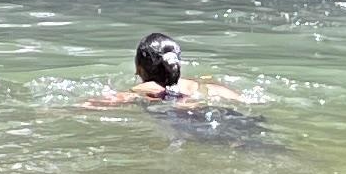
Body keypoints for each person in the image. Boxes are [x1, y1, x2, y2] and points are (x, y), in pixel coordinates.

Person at [82, 32, 258, 110]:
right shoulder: (204, 86)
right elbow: (248, 102)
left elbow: (94, 105)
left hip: (195, 125)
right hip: (234, 116)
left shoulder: (144, 91)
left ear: (139, 68)